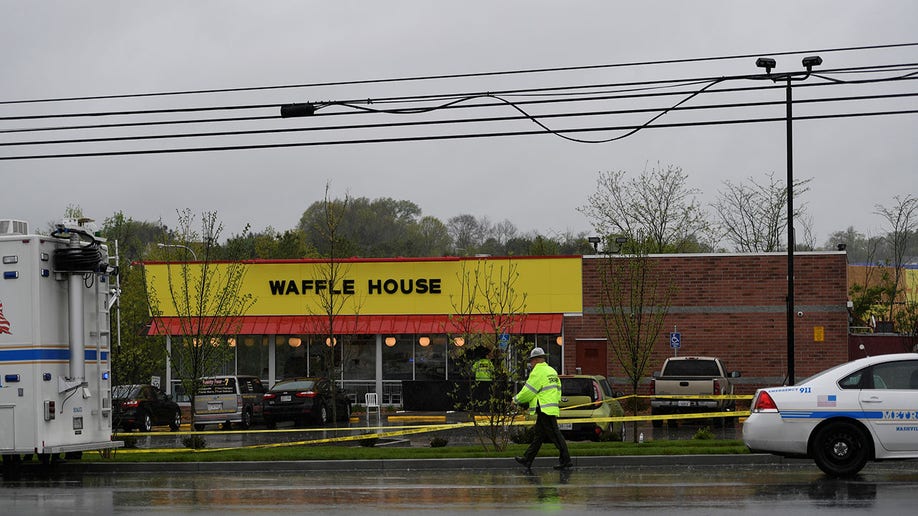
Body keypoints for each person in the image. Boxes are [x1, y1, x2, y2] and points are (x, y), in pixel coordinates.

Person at [513, 347, 572, 470]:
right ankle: (527, 459)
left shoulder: (538, 372)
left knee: (555, 435)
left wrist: (516, 400)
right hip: (549, 407)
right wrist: (554, 402)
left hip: (544, 408)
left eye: (531, 361)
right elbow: (558, 389)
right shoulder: (552, 371)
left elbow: (529, 390)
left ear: (536, 360)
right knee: (539, 435)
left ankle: (566, 460)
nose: (530, 364)